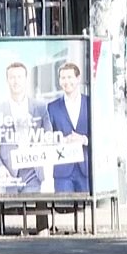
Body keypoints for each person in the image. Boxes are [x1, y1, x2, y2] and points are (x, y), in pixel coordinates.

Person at [0, 61, 52, 194]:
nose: (16, 81)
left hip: (34, 174)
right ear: (7, 80)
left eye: (19, 77)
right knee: (9, 212)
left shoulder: (40, 108)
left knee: (38, 211)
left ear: (26, 80)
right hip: (8, 174)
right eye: (12, 77)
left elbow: (49, 137)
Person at [47, 62, 90, 193]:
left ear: (78, 78)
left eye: (70, 77)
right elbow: (47, 136)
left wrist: (84, 139)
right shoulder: (52, 107)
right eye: (63, 78)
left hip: (86, 168)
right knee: (63, 210)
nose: (66, 81)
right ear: (59, 81)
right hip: (63, 169)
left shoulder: (90, 103)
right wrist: (60, 140)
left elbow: (102, 133)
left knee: (87, 210)